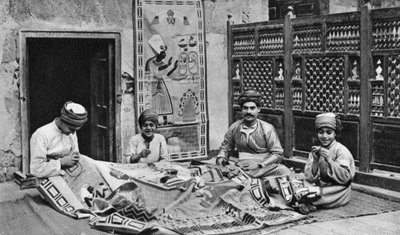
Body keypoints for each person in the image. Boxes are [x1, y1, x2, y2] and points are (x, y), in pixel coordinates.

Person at [216, 90, 291, 179]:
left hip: (263, 168)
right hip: (242, 167)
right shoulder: (235, 127)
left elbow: (278, 153)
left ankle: (246, 179)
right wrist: (221, 159)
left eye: (252, 108)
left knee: (284, 171)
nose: (248, 111)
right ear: (241, 109)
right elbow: (226, 147)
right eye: (245, 108)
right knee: (221, 171)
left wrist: (260, 164)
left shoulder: (267, 128)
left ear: (258, 109)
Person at [303, 112, 356, 209]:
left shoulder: (341, 150)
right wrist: (315, 161)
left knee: (313, 194)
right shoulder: (316, 150)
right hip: (321, 185)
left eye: (329, 132)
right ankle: (309, 198)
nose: (324, 136)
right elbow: (309, 178)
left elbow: (345, 178)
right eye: (321, 132)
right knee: (299, 185)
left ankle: (308, 200)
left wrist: (330, 161)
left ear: (336, 133)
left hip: (336, 188)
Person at [30, 101, 88, 178]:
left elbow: (74, 154)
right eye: (71, 129)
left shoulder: (71, 132)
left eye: (75, 130)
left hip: (69, 175)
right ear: (62, 121)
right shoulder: (41, 134)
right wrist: (61, 162)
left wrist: (75, 158)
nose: (73, 133)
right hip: (47, 178)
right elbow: (35, 169)